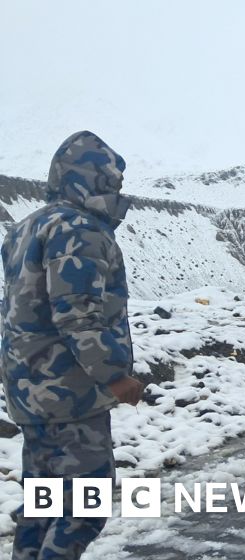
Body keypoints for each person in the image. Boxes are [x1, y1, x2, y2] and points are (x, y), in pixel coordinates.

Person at [2, 131, 144, 560]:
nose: (116, 190)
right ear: (95, 181)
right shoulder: (80, 229)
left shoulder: (27, 226)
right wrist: (115, 376)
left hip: (29, 389)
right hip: (70, 392)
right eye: (111, 183)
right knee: (85, 505)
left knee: (44, 506)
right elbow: (77, 312)